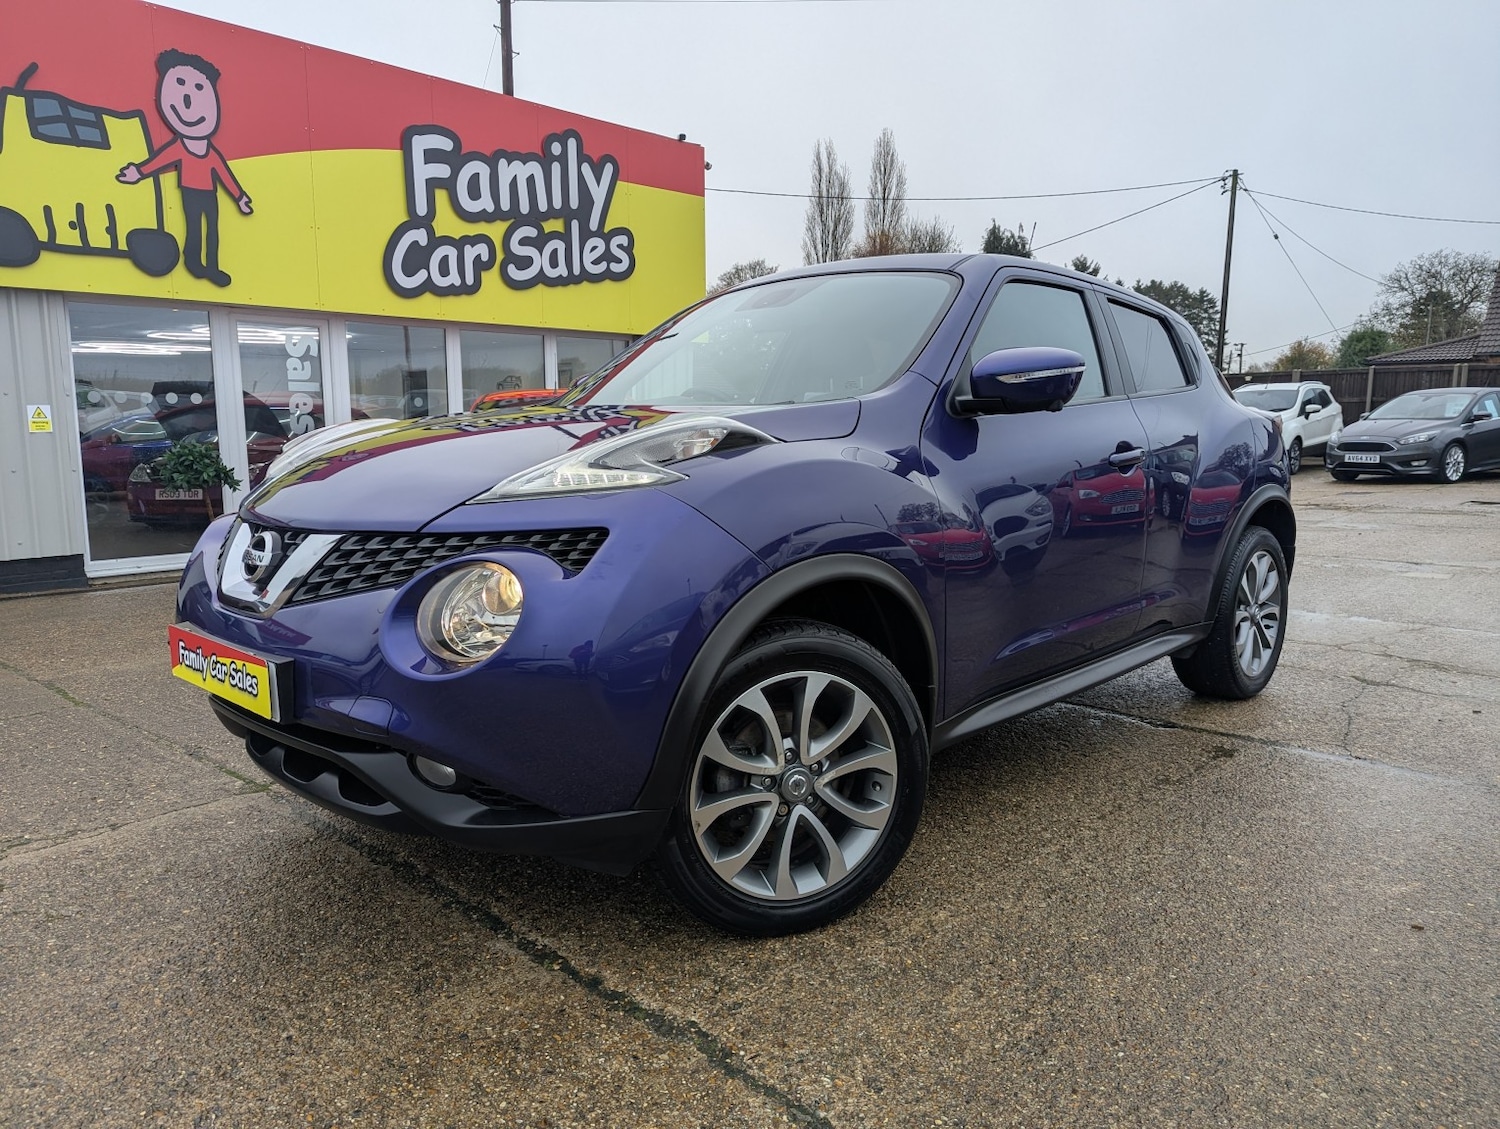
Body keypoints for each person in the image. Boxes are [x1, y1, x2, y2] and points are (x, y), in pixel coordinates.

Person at [118, 48, 251, 287]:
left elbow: (223, 173)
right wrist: (138, 172)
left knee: (212, 229)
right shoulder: (179, 146)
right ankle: (193, 262)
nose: (189, 101)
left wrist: (240, 197)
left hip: (209, 194)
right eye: (179, 85)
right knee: (194, 228)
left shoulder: (210, 152)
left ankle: (212, 266)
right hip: (189, 191)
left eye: (199, 89)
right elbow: (160, 160)